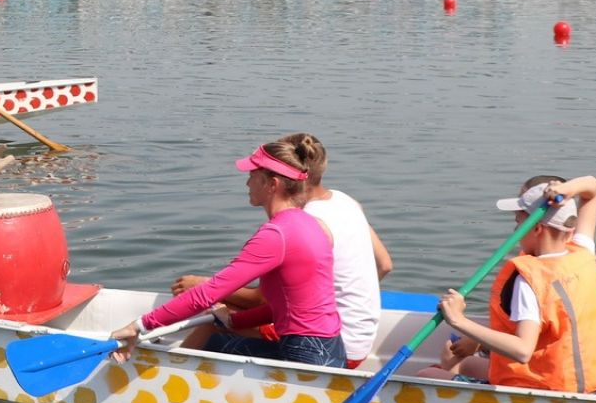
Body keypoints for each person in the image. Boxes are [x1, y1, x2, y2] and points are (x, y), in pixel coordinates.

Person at [113, 141, 344, 367]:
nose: (247, 182)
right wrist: (234, 320)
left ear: (272, 184)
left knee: (211, 347)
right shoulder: (314, 224)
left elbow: (209, 293)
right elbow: (286, 305)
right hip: (331, 349)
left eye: (252, 175)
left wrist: (140, 326)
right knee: (216, 340)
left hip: (305, 354)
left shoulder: (276, 234)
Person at [173, 133, 393, 366]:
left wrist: (203, 285)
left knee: (212, 320)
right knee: (226, 312)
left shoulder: (305, 222)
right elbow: (385, 265)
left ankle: (165, 375)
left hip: (330, 344)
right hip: (360, 339)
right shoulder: (345, 200)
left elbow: (263, 300)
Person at [426, 176, 596, 394]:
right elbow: (592, 187)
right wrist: (567, 189)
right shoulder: (583, 250)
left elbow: (522, 350)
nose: (515, 230)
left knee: (426, 376)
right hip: (581, 385)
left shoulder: (529, 279)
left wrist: (458, 320)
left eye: (518, 222)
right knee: (457, 361)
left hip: (543, 395)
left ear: (537, 229)